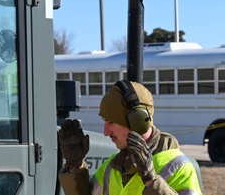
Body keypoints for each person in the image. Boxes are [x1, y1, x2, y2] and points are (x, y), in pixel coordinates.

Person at [58, 79, 203, 195]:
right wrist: (75, 168)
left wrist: (152, 181)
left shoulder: (179, 168)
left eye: (111, 122)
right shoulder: (112, 167)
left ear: (137, 121)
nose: (106, 132)